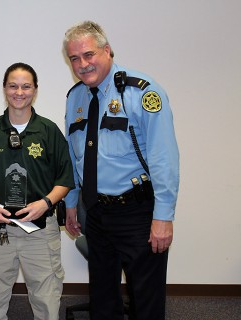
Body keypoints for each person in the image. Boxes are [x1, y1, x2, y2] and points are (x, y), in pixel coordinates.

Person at [63, 21, 179, 320]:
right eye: (74, 58)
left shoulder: (142, 92)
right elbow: (76, 156)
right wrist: (72, 203)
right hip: (97, 214)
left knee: (146, 300)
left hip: (137, 213)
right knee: (102, 299)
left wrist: (163, 217)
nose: (82, 64)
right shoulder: (75, 97)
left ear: (107, 50)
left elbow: (163, 157)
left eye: (88, 54)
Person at [0, 62, 74, 320]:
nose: (19, 92)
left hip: (39, 230)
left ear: (35, 90)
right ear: (4, 89)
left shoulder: (48, 131)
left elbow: (65, 178)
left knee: (47, 300)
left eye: (26, 86)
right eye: (13, 86)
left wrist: (46, 203)